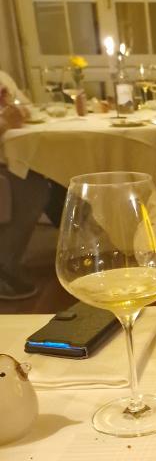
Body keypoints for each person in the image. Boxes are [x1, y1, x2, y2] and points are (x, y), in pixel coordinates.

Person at [0, 70, 65, 300]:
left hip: (12, 155)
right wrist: (4, 122)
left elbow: (26, 107)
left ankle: (78, 249)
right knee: (32, 186)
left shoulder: (3, 77)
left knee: (59, 172)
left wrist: (19, 111)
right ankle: (4, 267)